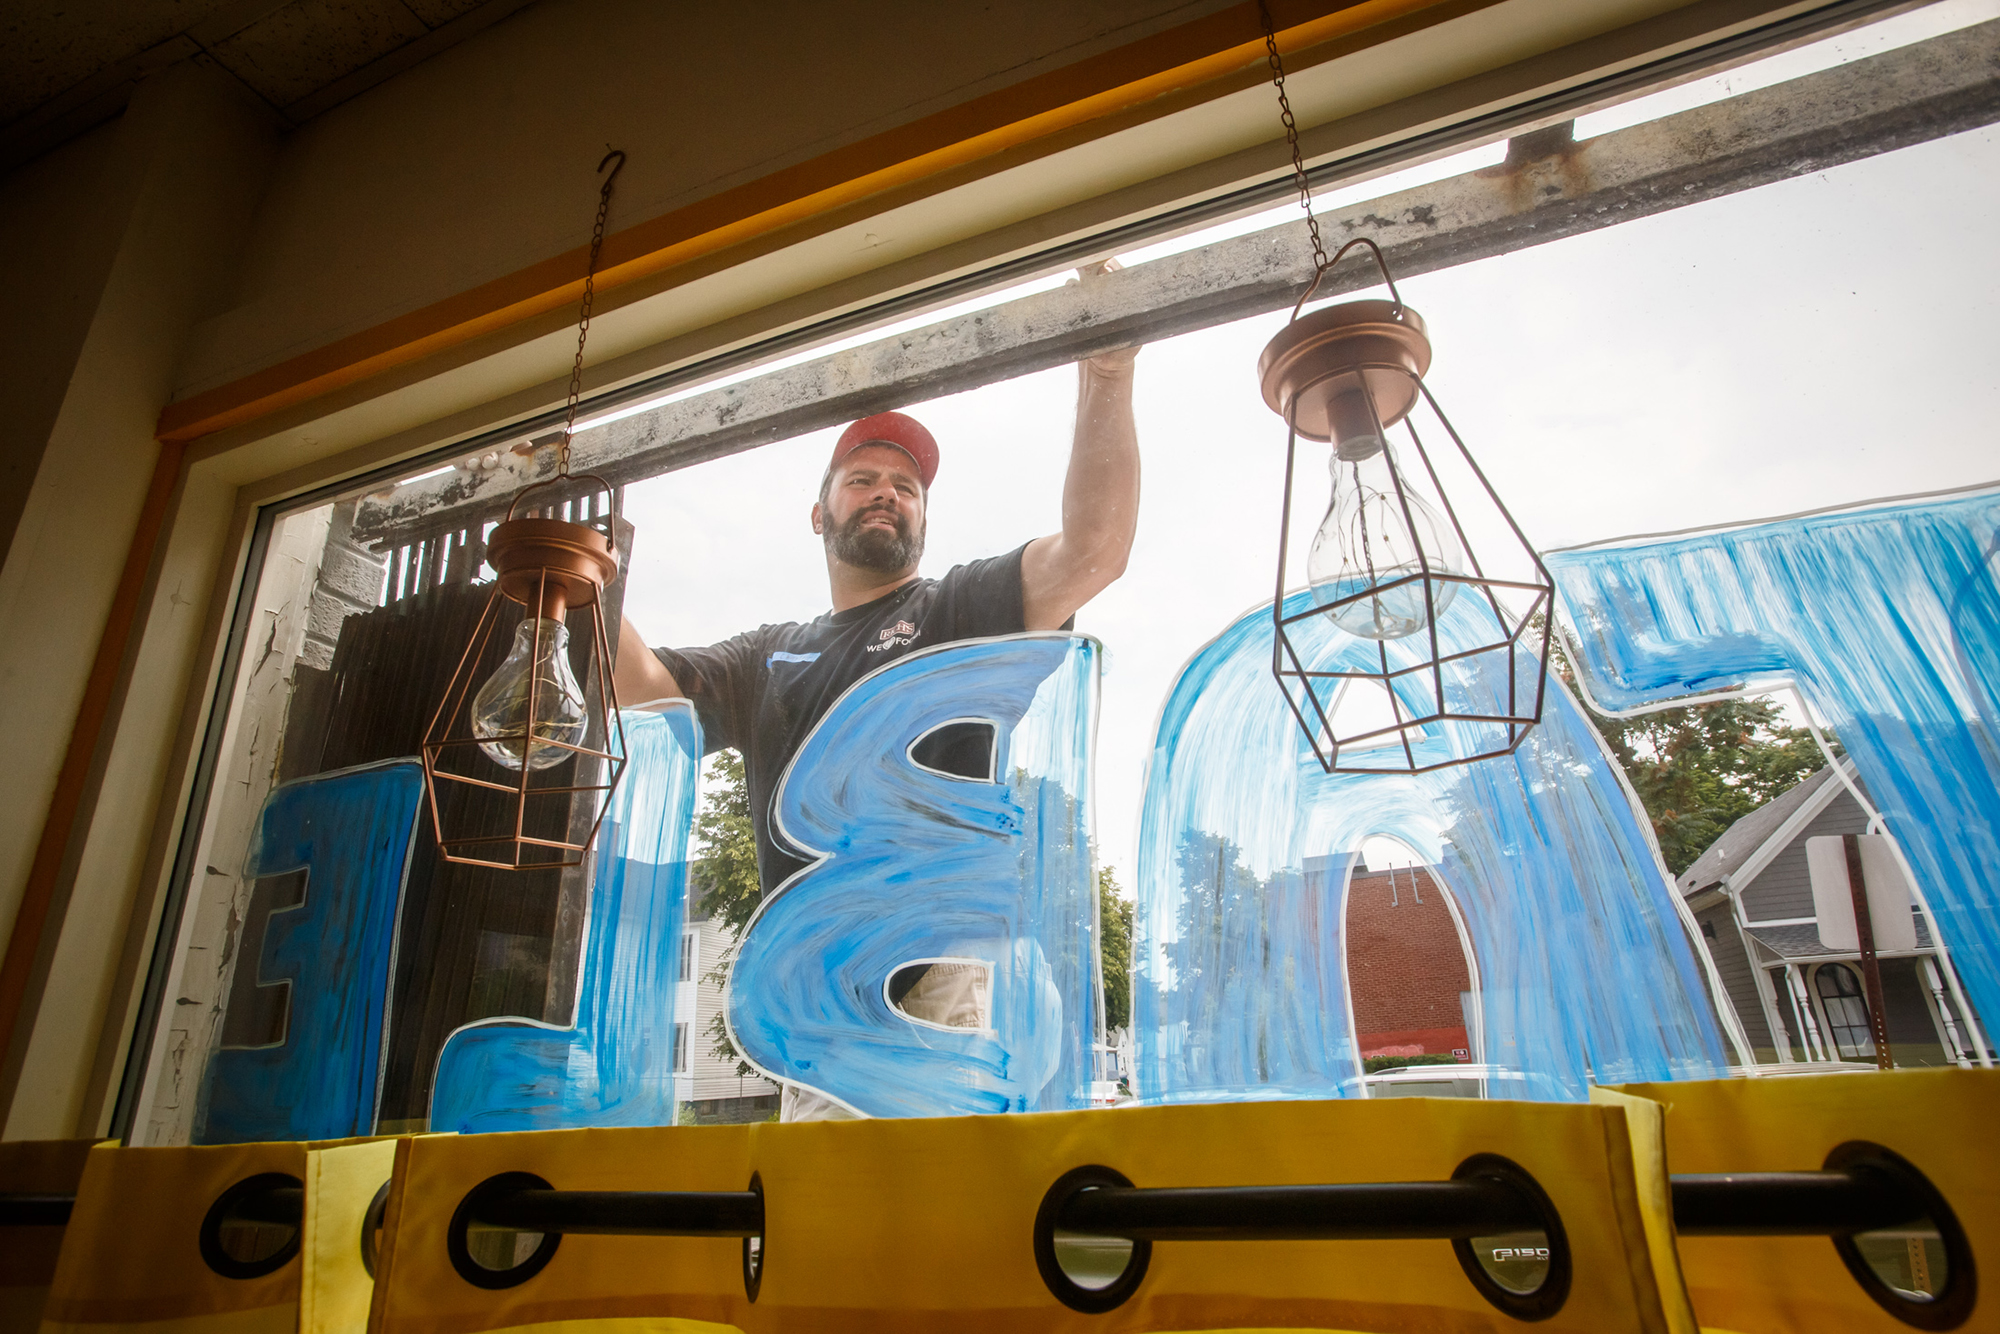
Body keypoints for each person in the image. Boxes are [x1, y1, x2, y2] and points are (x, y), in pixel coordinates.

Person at [613, 339, 1140, 1117]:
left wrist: (1107, 371)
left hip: (943, 981)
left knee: (952, 1218)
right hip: (813, 1009)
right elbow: (642, 692)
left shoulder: (958, 609)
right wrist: (590, 570)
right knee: (829, 1223)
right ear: (819, 512)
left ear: (923, 518)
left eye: (907, 486)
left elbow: (1095, 549)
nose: (887, 492)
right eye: (862, 479)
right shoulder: (767, 656)